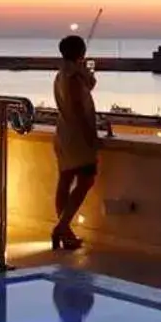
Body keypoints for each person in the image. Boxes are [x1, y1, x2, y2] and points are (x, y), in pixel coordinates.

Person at [51, 34, 99, 250]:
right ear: (82, 52)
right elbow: (79, 108)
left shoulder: (62, 74)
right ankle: (62, 227)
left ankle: (65, 232)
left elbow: (88, 87)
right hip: (77, 135)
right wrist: (91, 135)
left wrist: (85, 72)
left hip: (64, 132)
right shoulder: (73, 77)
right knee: (86, 180)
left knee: (65, 180)